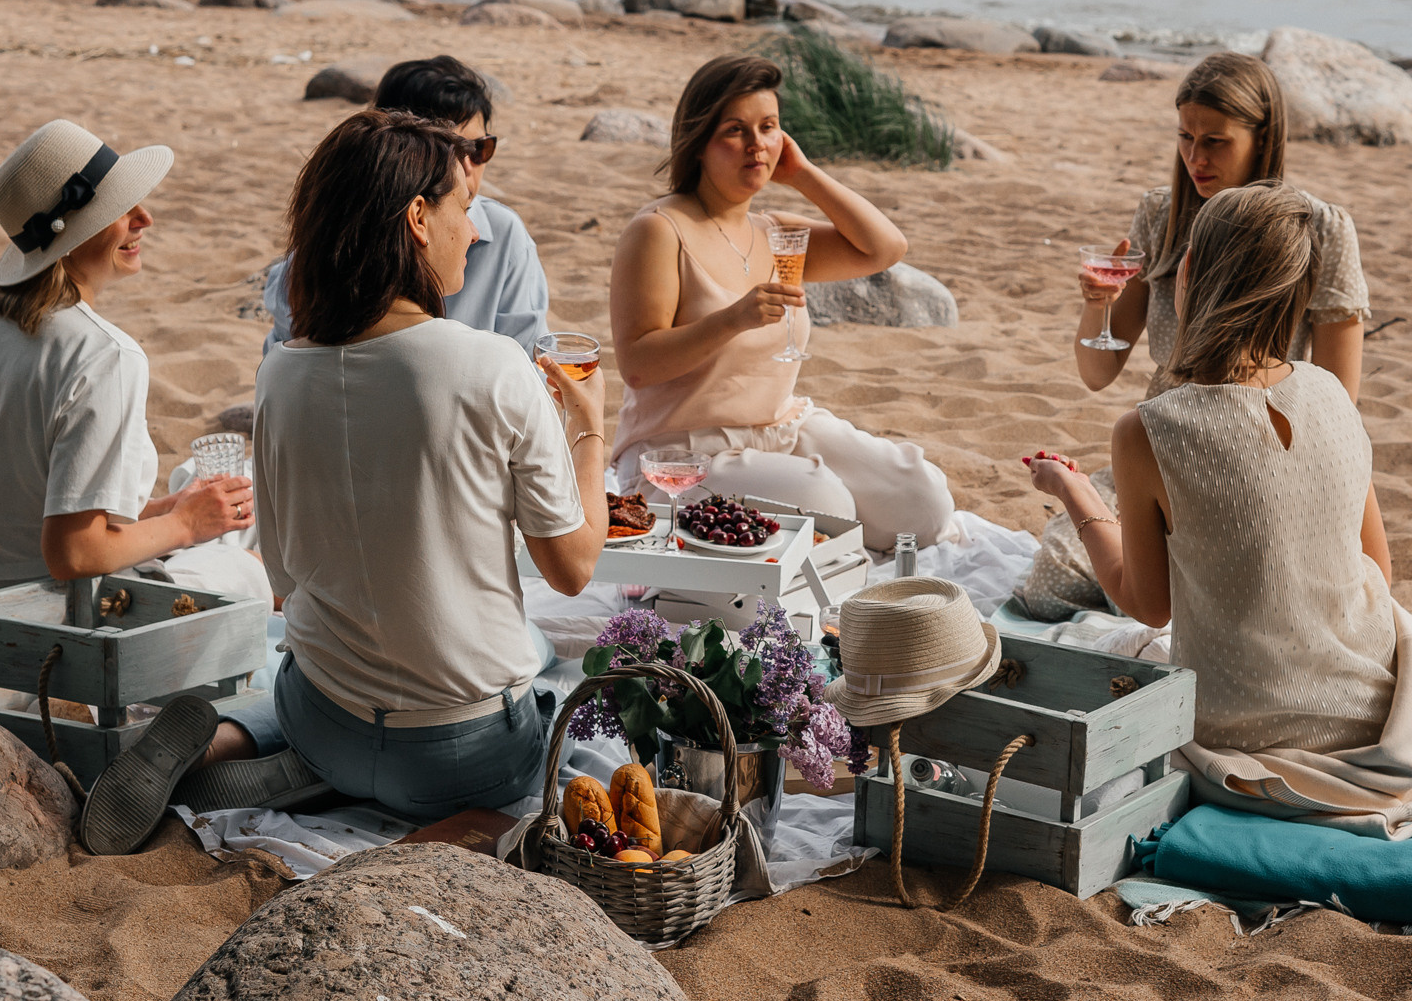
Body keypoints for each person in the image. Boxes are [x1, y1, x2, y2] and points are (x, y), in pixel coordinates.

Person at [1026, 182, 1412, 837]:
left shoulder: (1149, 429)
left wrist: (1074, 491)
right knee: (1397, 636)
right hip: (1363, 703)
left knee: (1137, 647)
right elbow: (1376, 565)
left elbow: (1148, 604)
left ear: (1187, 281)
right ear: (1296, 295)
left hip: (1237, 726)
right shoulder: (1329, 394)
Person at [0, 119, 282, 855]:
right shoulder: (103, 355)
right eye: (121, 211)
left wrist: (163, 511)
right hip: (54, 625)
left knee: (197, 508)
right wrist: (186, 526)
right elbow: (73, 552)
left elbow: (31, 489)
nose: (144, 220)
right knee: (244, 572)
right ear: (73, 234)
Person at [225, 110, 608, 821]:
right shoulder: (491, 364)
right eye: (465, 206)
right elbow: (574, 568)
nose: (475, 227)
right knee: (548, 665)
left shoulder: (280, 373)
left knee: (314, 659)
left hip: (322, 724)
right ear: (419, 218)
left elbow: (283, 586)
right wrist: (591, 431)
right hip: (465, 766)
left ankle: (238, 736)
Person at [607, 53, 955, 549]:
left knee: (922, 500)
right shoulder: (660, 231)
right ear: (699, 141)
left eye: (768, 128)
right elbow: (639, 365)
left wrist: (803, 173)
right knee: (827, 503)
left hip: (781, 427)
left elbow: (885, 248)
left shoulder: (777, 233)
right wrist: (733, 319)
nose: (756, 146)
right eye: (735, 130)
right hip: (683, 451)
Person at [1075, 50, 1369, 402]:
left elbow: (1338, 401)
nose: (1196, 158)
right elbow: (1097, 375)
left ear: (1262, 138)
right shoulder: (1160, 216)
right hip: (1161, 434)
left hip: (1261, 437)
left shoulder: (1320, 229)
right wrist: (1097, 306)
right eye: (1185, 137)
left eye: (1215, 141)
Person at [262, 55, 547, 357]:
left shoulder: (503, 237)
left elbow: (531, 359)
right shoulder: (324, 255)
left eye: (479, 148)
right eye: (449, 151)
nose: (465, 168)